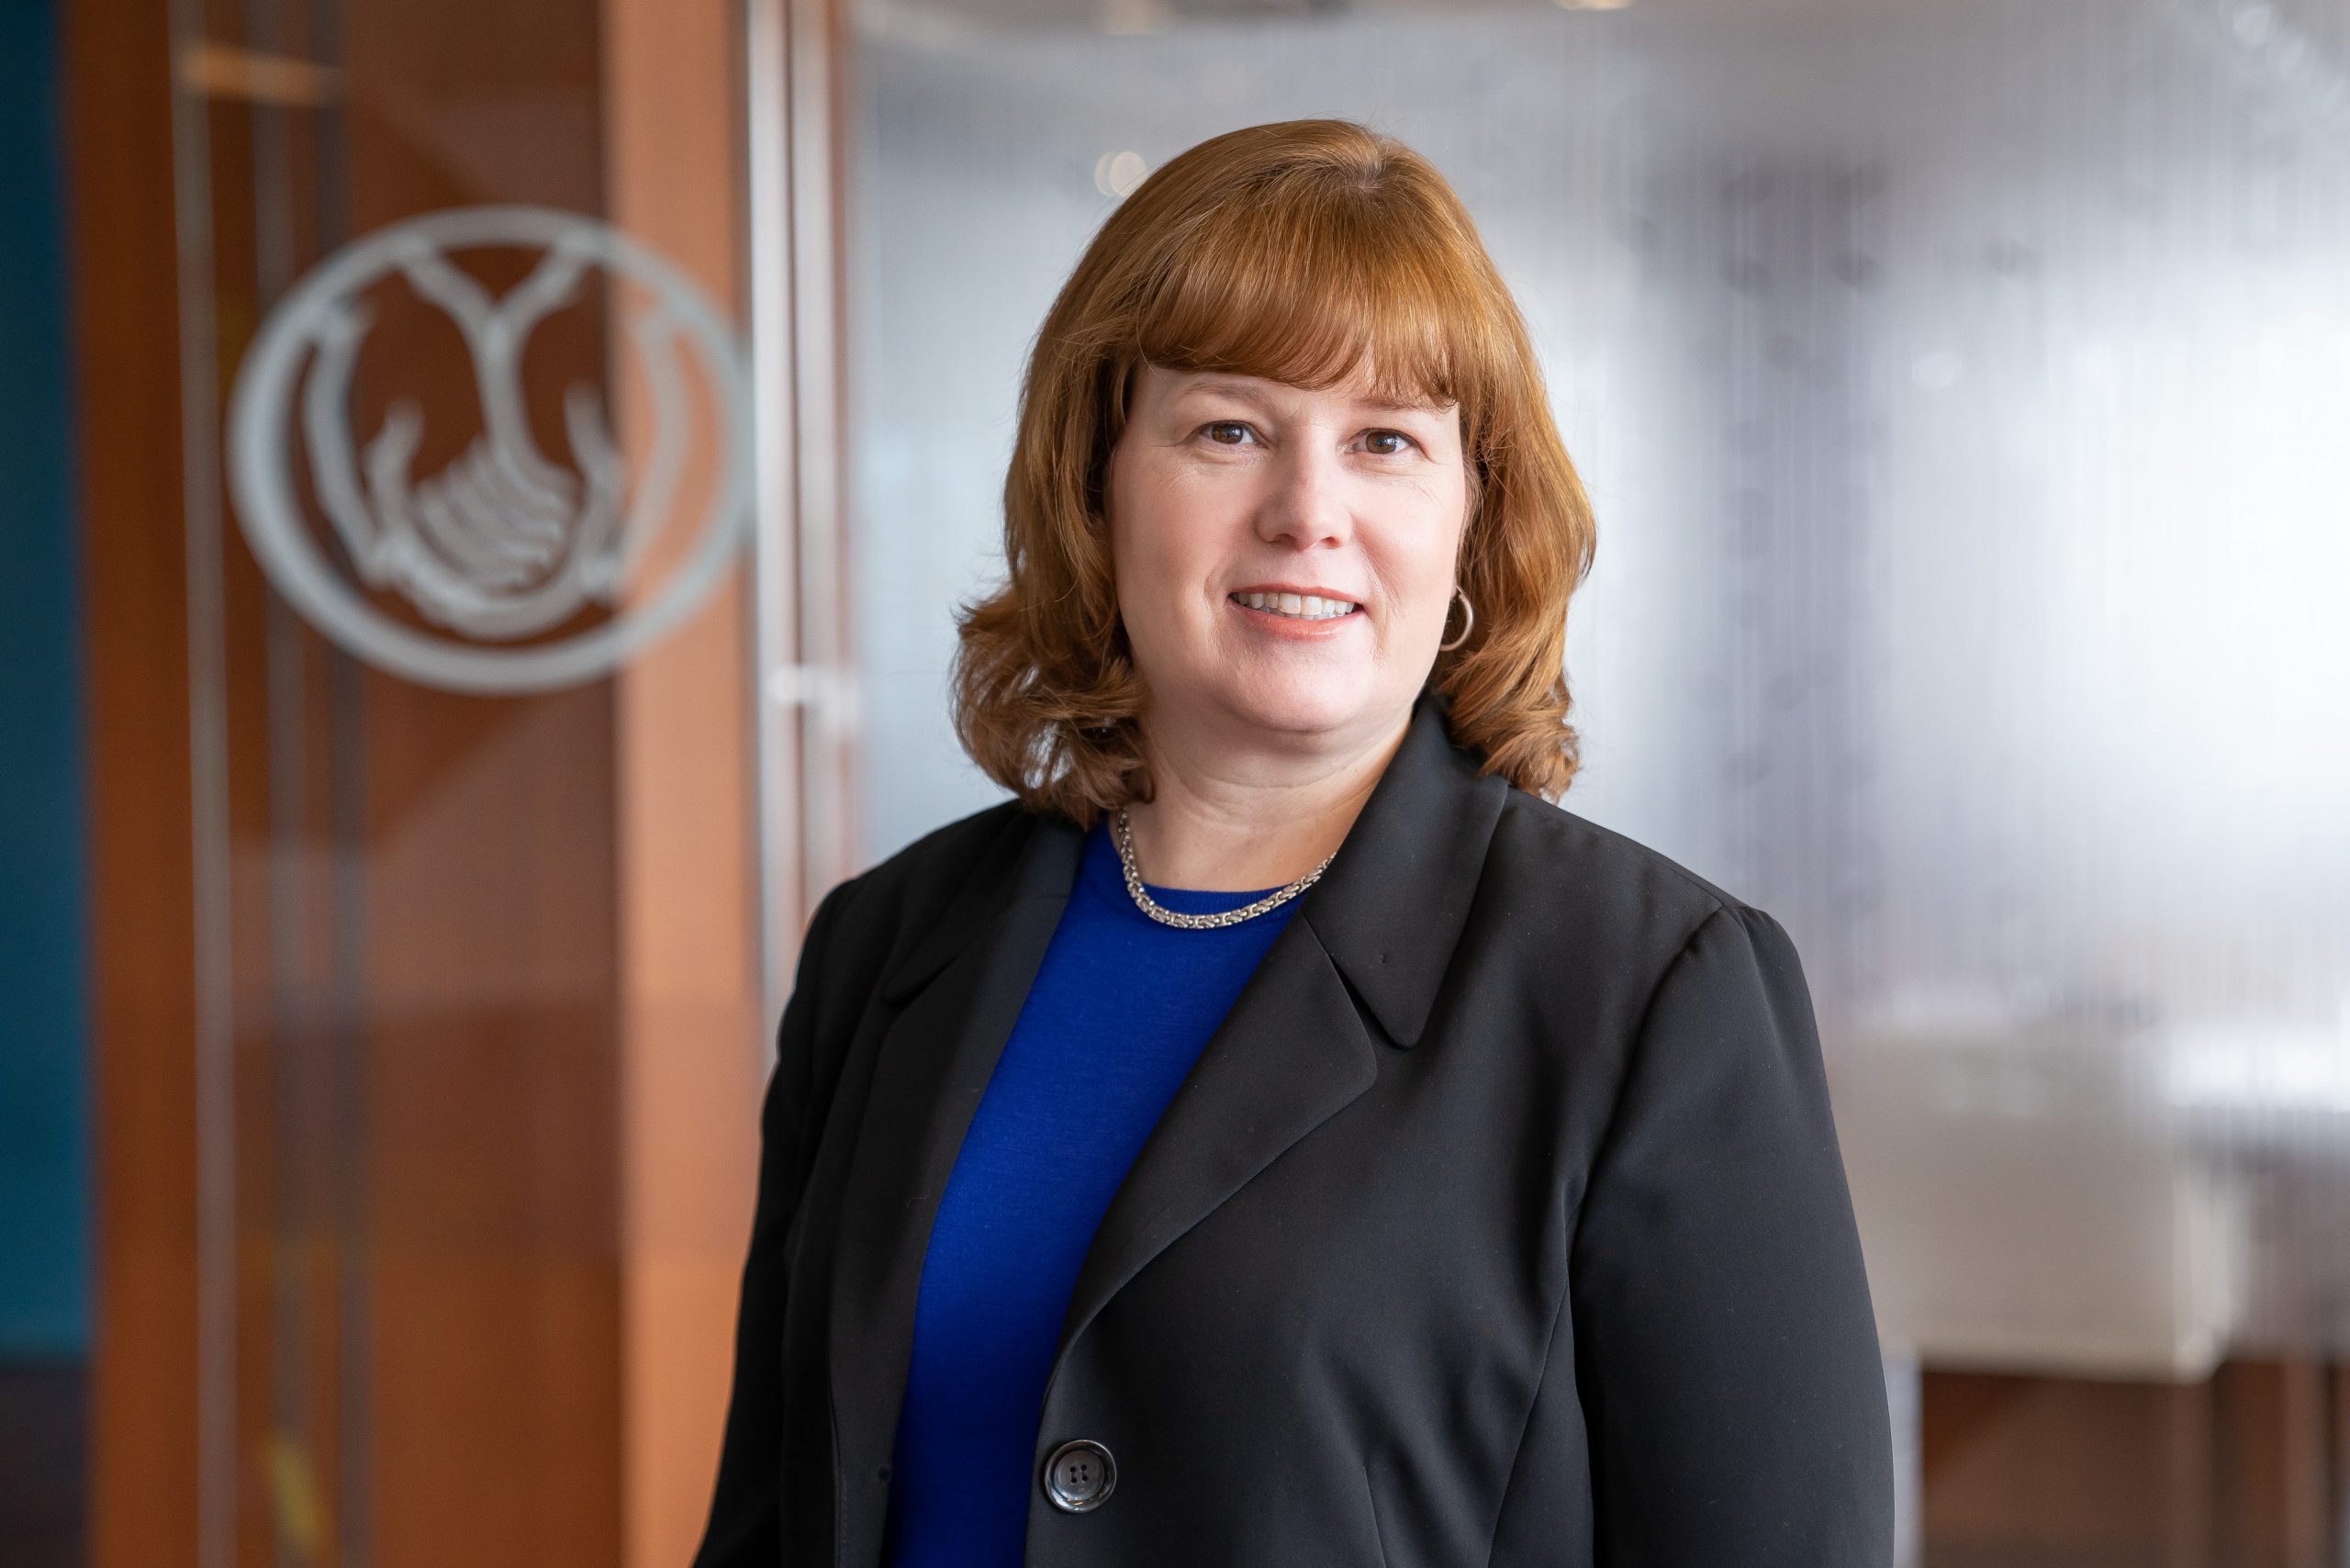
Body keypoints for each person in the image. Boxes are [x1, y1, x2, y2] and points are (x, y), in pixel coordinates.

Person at [690, 118, 1892, 1568]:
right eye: (1229, 429)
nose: (1307, 513)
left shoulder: (1654, 993)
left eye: (1386, 442)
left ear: (1470, 518)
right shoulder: (887, 945)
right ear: (1099, 484)